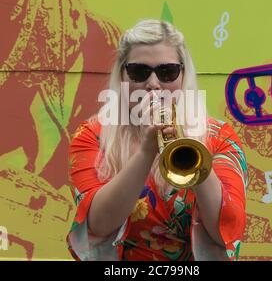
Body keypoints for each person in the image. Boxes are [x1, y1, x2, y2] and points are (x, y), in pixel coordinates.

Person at [66, 19, 248, 261]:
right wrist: (146, 152)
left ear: (183, 76)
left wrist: (193, 150)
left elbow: (227, 230)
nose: (152, 84)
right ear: (122, 75)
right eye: (139, 72)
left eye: (167, 72)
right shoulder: (91, 136)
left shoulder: (219, 137)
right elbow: (97, 224)